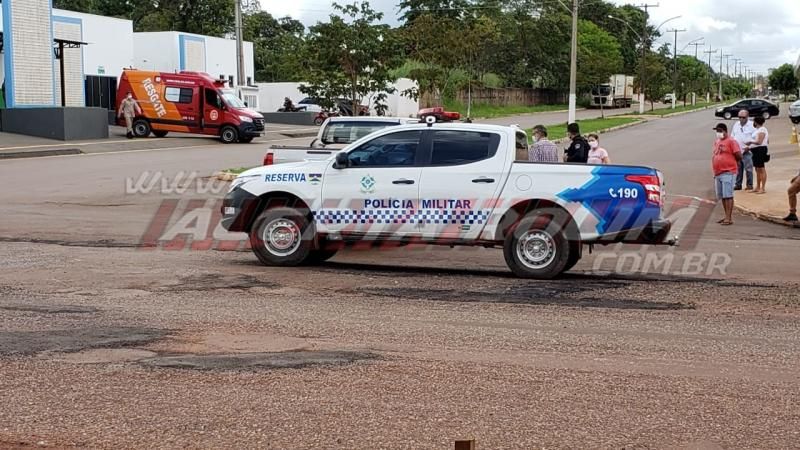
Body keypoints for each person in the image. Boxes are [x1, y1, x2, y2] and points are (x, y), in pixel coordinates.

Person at [712, 123, 742, 226]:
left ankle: (729, 218)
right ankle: (726, 216)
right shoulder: (717, 142)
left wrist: (731, 162)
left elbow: (738, 155)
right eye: (717, 131)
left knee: (728, 195)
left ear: (725, 131)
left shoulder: (731, 141)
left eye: (720, 131)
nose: (718, 133)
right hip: (718, 172)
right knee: (723, 196)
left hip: (728, 172)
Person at [731, 110, 755, 191]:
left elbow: (755, 138)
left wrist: (750, 147)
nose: (741, 119)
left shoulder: (752, 125)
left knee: (748, 169)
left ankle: (749, 184)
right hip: (737, 151)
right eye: (739, 117)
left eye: (743, 117)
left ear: (747, 117)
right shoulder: (736, 125)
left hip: (747, 151)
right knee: (738, 169)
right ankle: (738, 184)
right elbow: (732, 137)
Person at [746, 116, 770, 194]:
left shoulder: (762, 129)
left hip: (760, 150)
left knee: (761, 168)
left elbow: (759, 142)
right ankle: (758, 186)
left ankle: (762, 188)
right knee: (757, 169)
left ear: (756, 122)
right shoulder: (757, 130)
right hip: (756, 150)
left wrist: (750, 142)